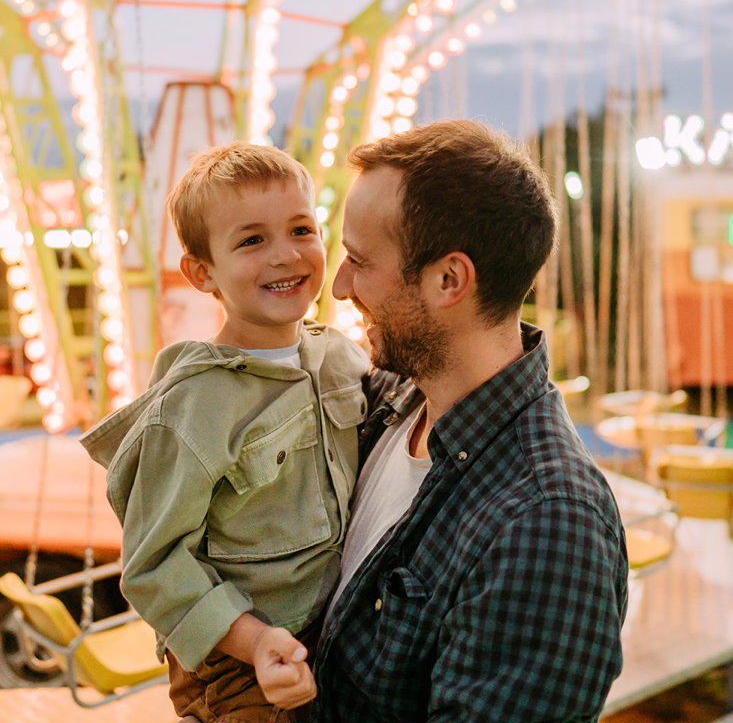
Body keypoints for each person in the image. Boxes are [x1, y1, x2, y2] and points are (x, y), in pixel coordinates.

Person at [312, 119, 628, 722]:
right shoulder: (386, 402)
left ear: (449, 279)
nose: (341, 284)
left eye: (359, 260)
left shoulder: (548, 521)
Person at [81, 142, 370, 723]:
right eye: (251, 240)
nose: (285, 255)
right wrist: (254, 641)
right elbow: (155, 564)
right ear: (202, 272)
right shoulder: (191, 409)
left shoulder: (340, 359)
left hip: (330, 630)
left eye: (300, 229)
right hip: (237, 660)